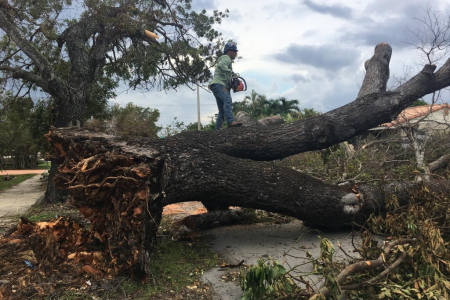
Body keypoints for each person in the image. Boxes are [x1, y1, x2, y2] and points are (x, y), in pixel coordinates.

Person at [209, 41, 243, 130]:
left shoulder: (228, 61)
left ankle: (218, 129)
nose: (236, 53)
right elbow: (220, 65)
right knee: (227, 100)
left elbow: (226, 76)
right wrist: (232, 73)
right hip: (219, 84)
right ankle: (230, 121)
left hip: (217, 85)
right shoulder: (226, 58)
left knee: (222, 110)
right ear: (229, 51)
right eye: (234, 51)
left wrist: (232, 84)